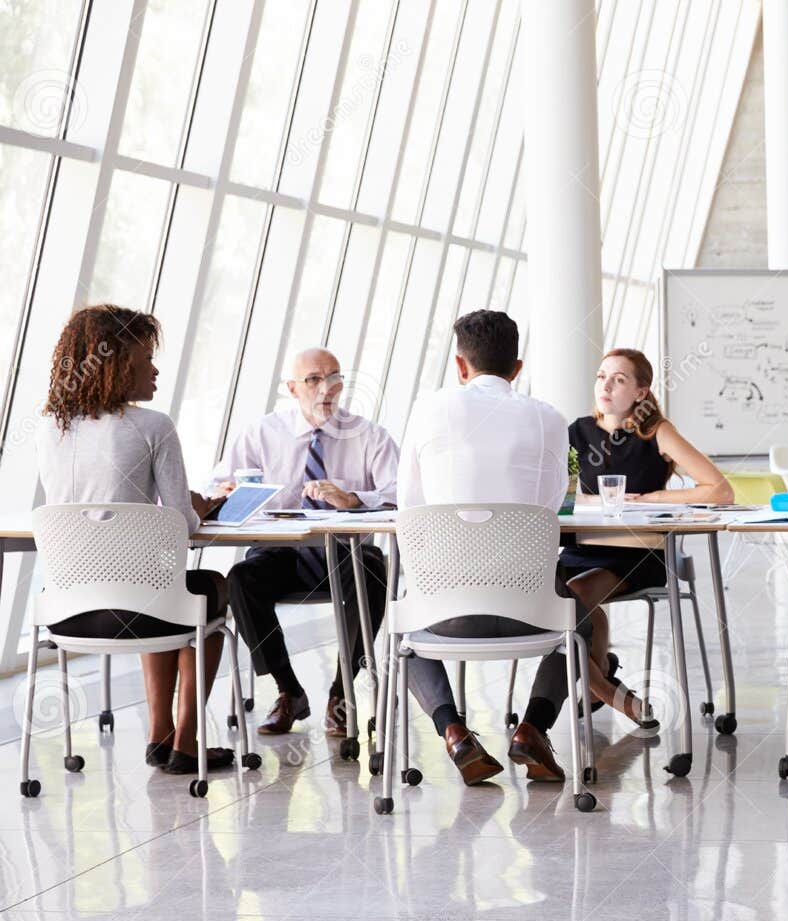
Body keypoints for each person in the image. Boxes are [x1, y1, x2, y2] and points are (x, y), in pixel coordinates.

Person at [509, 349, 734, 768]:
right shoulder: (576, 432)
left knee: (571, 601)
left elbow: (719, 490)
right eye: (601, 377)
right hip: (582, 548)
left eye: (619, 379)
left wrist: (650, 498)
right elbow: (557, 493)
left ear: (640, 392)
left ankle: (543, 720)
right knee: (566, 603)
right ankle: (609, 687)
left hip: (637, 553)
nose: (606, 386)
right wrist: (587, 501)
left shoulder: (657, 432)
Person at [33, 305, 231, 775]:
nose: (155, 369)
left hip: (68, 613)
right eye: (146, 359)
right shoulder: (154, 426)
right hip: (143, 610)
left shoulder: (48, 429)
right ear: (117, 365)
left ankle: (159, 734)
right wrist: (199, 508)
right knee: (206, 588)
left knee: (160, 586)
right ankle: (186, 741)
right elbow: (183, 524)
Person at [395, 309, 573, 786]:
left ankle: (453, 732)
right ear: (517, 368)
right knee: (583, 620)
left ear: (460, 365)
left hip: (447, 612)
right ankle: (532, 729)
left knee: (404, 625)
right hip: (530, 611)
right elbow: (550, 506)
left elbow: (410, 505)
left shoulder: (427, 410)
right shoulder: (549, 419)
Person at [210, 348, 397, 739]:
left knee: (373, 569)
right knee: (241, 579)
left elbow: (400, 493)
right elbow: (218, 485)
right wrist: (225, 492)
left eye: (334, 378)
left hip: (343, 555)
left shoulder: (369, 436)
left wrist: (353, 498)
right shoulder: (261, 433)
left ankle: (341, 692)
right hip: (280, 555)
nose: (326, 388)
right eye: (313, 380)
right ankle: (289, 691)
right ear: (292, 388)